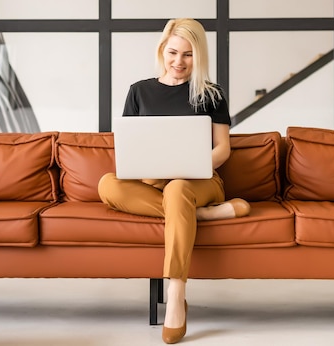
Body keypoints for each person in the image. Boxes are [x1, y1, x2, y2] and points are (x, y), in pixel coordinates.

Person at [97, 18, 250, 344]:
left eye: (188, 55)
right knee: (107, 184)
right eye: (173, 52)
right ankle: (203, 215)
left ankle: (176, 292)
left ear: (199, 56)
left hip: (200, 182)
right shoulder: (139, 91)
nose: (178, 62)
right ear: (162, 51)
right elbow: (129, 149)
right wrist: (152, 170)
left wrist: (184, 167)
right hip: (154, 184)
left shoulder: (211, 94)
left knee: (178, 188)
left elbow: (223, 149)